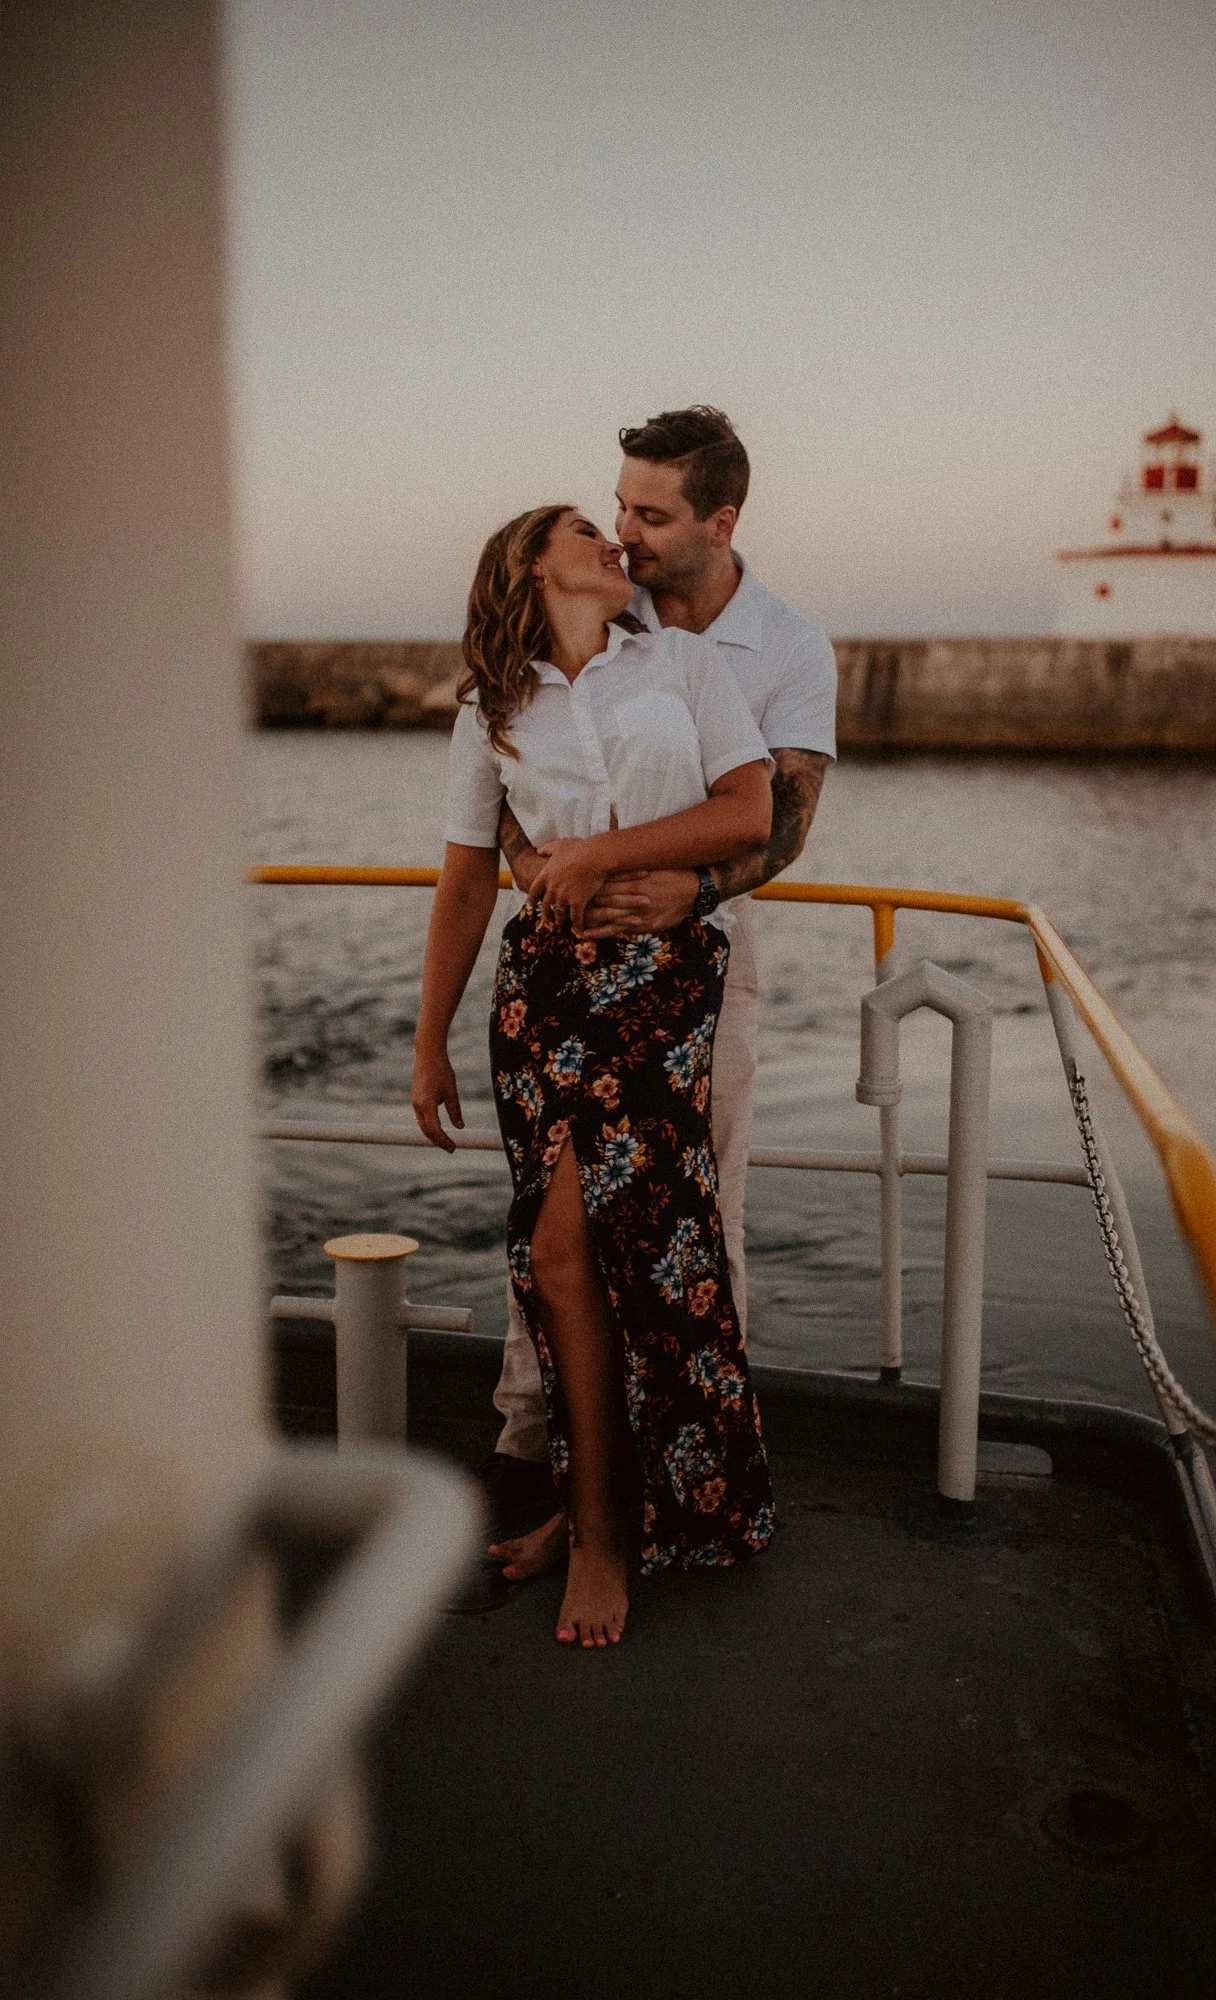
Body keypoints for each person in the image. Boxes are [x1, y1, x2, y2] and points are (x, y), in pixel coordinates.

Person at [412, 503, 776, 1647]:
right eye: (584, 526)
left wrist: (592, 856)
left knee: (650, 1258)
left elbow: (748, 810)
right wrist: (426, 1040)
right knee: (560, 1256)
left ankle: (605, 1524)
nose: (612, 539)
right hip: (547, 993)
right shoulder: (490, 706)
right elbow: (470, 880)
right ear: (529, 561)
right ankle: (590, 1519)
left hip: (667, 985)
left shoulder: (681, 660)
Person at [486, 409, 838, 1567]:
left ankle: (681, 1481)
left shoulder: (783, 646)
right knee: (554, 1221)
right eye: (617, 506)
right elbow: (515, 802)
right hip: (571, 959)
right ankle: (535, 1445)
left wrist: (687, 889)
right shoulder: (606, 606)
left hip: (695, 976)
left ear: (719, 520)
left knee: (691, 1222)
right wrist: (552, 871)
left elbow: (779, 822)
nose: (625, 532)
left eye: (649, 513)